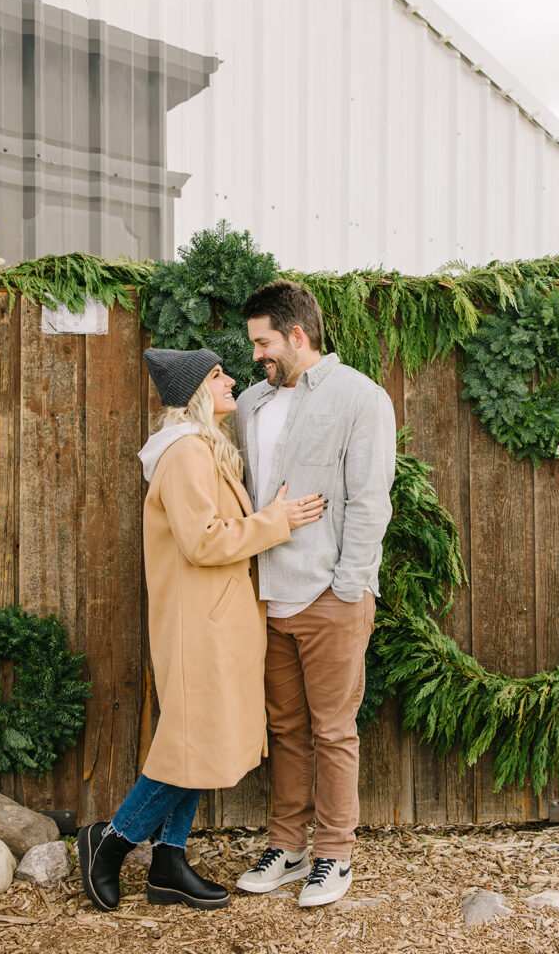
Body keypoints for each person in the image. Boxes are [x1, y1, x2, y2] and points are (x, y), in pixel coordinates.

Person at [78, 347, 325, 913]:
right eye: (217, 376)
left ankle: (168, 862)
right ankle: (110, 843)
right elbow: (204, 540)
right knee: (190, 746)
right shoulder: (187, 452)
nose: (230, 380)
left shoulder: (201, 449)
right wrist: (276, 522)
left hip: (214, 623)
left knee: (203, 744)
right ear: (194, 391)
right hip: (199, 629)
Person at [234, 280, 396, 907]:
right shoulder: (250, 403)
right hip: (267, 596)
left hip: (330, 595)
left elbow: (370, 501)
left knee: (333, 730)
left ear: (297, 336)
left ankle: (334, 854)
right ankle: (287, 844)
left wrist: (348, 585)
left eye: (264, 341)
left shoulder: (362, 398)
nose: (256, 354)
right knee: (286, 728)